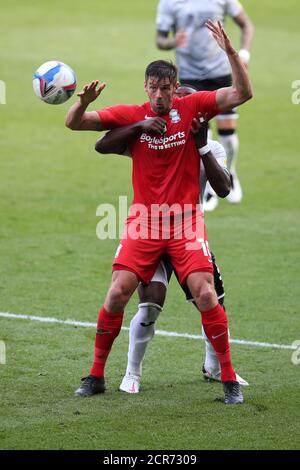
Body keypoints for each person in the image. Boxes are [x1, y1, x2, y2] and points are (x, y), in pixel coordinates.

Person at [65, 21, 252, 404]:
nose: (161, 95)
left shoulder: (193, 107)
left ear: (175, 87)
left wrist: (232, 53)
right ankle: (97, 375)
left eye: (167, 89)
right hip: (144, 223)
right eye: (154, 88)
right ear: (146, 87)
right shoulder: (133, 115)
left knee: (205, 294)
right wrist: (84, 102)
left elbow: (242, 94)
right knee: (117, 294)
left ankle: (228, 378)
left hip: (185, 222)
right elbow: (76, 124)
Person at [95, 86, 249, 394]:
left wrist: (202, 147)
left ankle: (214, 368)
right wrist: (137, 126)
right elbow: (103, 144)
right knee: (150, 304)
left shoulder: (210, 146)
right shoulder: (152, 138)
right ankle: (131, 372)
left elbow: (223, 189)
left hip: (187, 231)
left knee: (212, 299)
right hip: (150, 229)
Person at [156, 0, 254, 211]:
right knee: (200, 132)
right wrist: (174, 41)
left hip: (221, 72)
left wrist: (244, 53)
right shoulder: (168, 2)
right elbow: (160, 39)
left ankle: (231, 172)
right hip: (191, 76)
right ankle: (208, 185)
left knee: (227, 133)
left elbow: (246, 24)